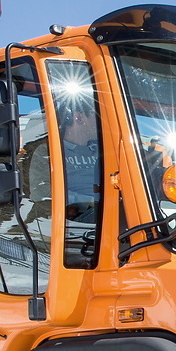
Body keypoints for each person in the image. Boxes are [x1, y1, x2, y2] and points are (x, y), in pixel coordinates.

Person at [58, 94, 102, 267]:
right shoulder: (49, 153)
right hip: (75, 223)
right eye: (95, 114)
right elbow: (42, 194)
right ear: (78, 117)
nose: (100, 121)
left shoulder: (102, 151)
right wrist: (86, 202)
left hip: (105, 214)